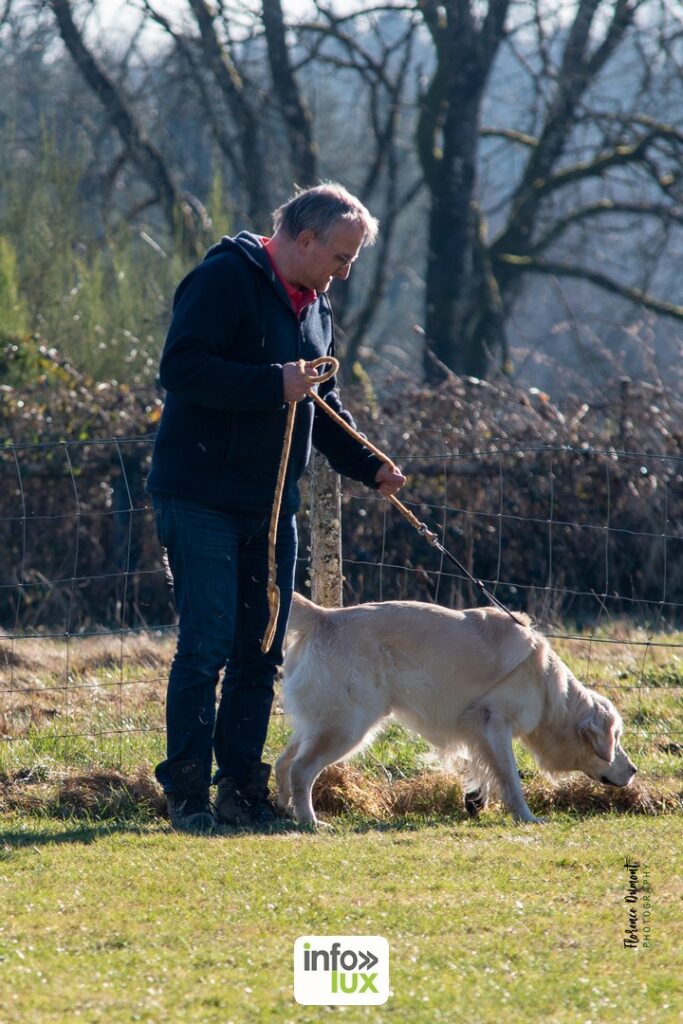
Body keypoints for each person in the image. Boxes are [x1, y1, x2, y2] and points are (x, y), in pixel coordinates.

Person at [146, 183, 406, 833]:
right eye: (340, 257)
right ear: (303, 239)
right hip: (199, 495)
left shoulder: (315, 307)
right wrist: (271, 384)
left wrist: (368, 463)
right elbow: (181, 368)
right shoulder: (222, 280)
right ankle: (186, 797)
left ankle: (242, 793)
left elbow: (321, 402)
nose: (343, 272)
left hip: (270, 511)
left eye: (351, 262)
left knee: (260, 654)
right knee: (205, 646)